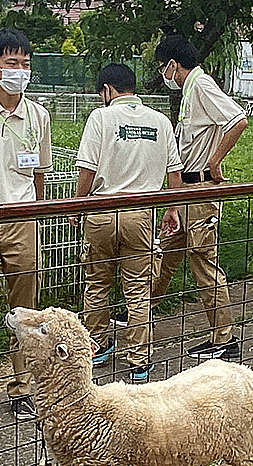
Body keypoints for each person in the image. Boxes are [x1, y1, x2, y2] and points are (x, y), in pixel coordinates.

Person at [74, 64, 183, 382]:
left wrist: (77, 206)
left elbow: (87, 169)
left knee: (97, 284)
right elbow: (174, 172)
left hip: (101, 211)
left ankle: (97, 348)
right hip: (141, 214)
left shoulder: (100, 117)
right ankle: (139, 360)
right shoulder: (160, 121)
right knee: (138, 290)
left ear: (107, 90)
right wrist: (172, 209)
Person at [0, 28, 52, 421]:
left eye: (25, 64)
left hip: (22, 219)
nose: (20, 71)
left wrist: (35, 213)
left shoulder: (39, 116)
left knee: (25, 310)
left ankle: (22, 387)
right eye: (11, 63)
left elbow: (40, 173)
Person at [152, 34, 248, 360]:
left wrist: (215, 160)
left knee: (204, 263)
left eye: (162, 68)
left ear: (173, 64)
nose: (163, 75)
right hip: (185, 189)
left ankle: (223, 339)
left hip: (200, 189)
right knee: (166, 250)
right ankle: (140, 310)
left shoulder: (202, 85)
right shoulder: (191, 90)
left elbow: (237, 120)